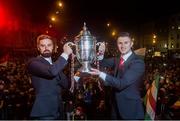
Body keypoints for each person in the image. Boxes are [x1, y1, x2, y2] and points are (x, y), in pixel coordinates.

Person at [88, 32, 145, 119]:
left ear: (131, 43)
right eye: (120, 43)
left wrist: (101, 74)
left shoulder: (138, 62)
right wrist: (101, 52)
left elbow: (121, 84)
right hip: (115, 108)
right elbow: (101, 62)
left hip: (130, 111)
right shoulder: (118, 59)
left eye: (126, 42)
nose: (123, 46)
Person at [27, 34, 72, 120]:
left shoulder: (55, 65)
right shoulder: (33, 63)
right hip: (45, 113)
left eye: (49, 45)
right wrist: (65, 54)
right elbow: (51, 72)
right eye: (42, 45)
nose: (46, 48)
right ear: (38, 48)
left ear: (53, 47)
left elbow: (66, 84)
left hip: (59, 111)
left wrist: (78, 74)